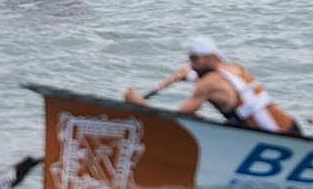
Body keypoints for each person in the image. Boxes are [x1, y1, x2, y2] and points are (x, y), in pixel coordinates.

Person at [125, 35, 300, 134]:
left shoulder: (207, 84)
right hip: (291, 126)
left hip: (279, 135)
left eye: (195, 59)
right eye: (190, 59)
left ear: (211, 57)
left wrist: (140, 104)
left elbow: (178, 119)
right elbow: (220, 84)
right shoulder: (233, 68)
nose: (191, 64)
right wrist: (181, 77)